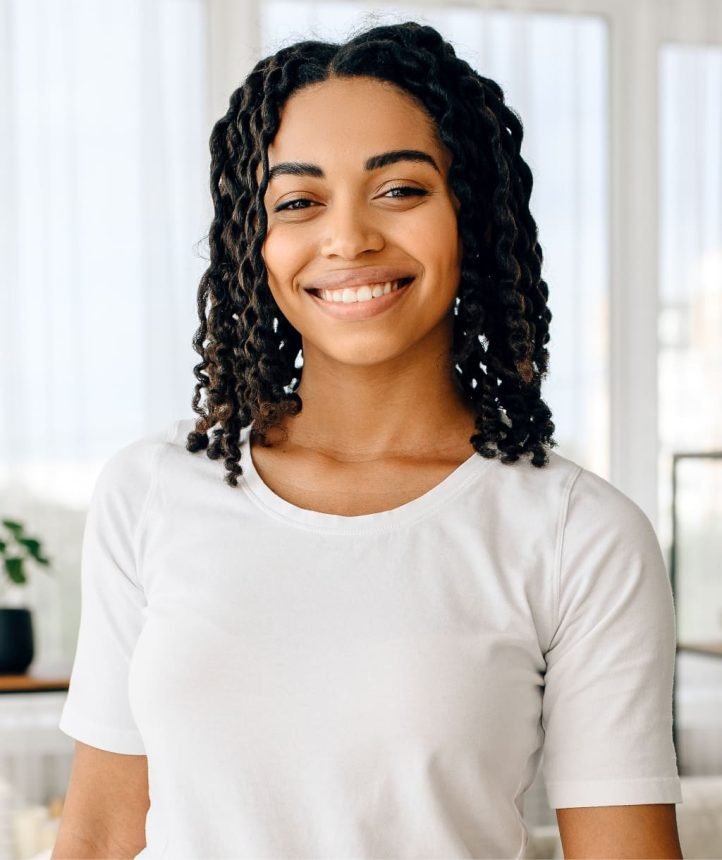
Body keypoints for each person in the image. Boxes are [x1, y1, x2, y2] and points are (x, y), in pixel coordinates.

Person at [53, 20, 683, 860]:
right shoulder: (152, 490)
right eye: (299, 201)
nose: (348, 239)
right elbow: (99, 832)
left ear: (471, 214)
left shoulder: (578, 534)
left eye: (399, 190)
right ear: (257, 243)